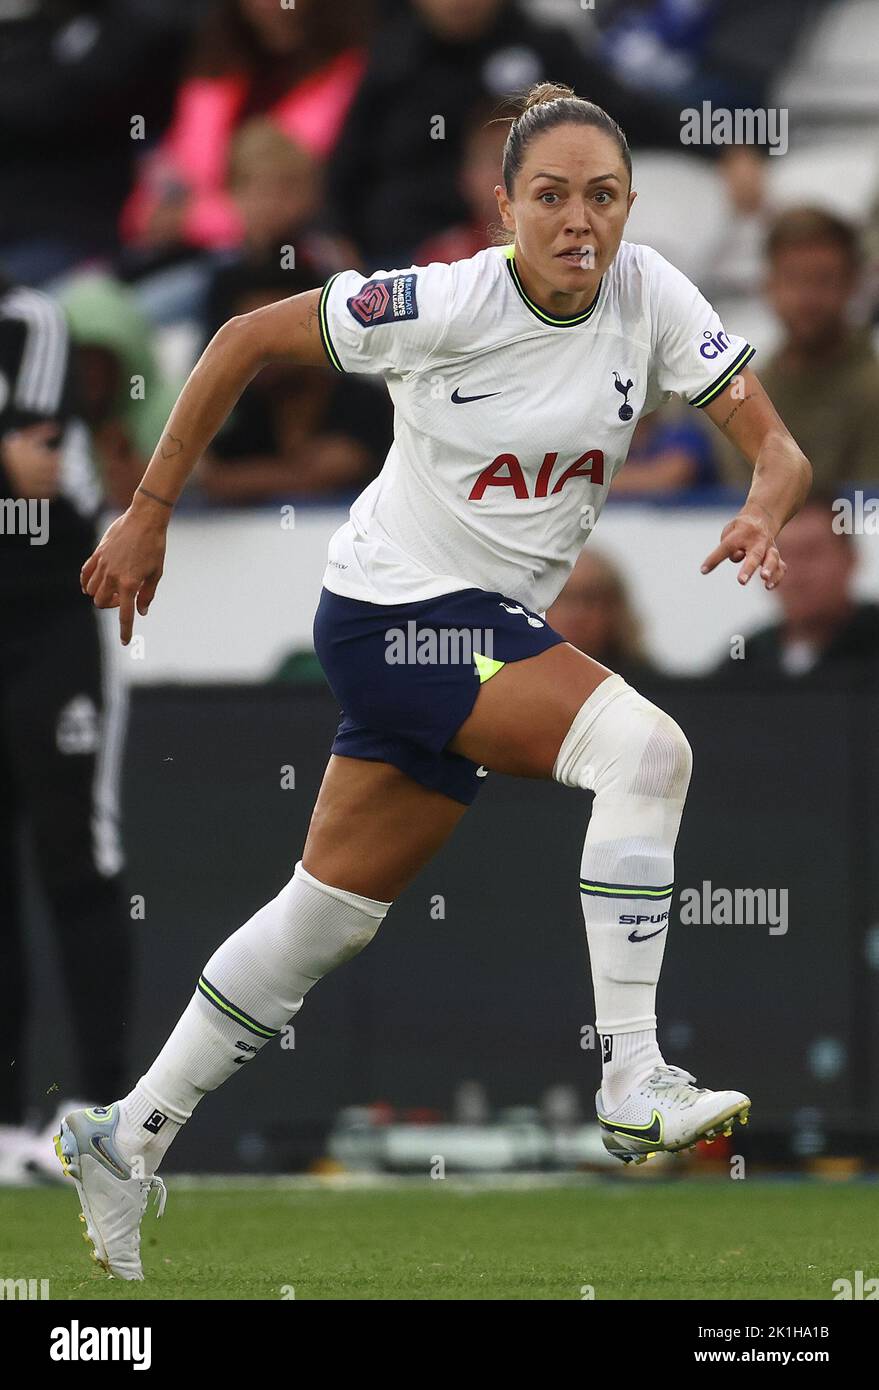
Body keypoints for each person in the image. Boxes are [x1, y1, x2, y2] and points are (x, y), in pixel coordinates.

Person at [62, 83, 810, 1279]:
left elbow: (778, 445)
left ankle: (124, 1135)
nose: (581, 221)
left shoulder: (653, 293)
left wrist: (766, 504)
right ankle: (631, 1074)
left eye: (604, 196)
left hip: (480, 627)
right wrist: (151, 511)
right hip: (394, 614)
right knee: (647, 750)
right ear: (505, 206)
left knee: (323, 923)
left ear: (629, 207)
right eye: (552, 196)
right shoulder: (445, 298)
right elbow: (240, 338)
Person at [0, 273, 132, 1181]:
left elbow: (36, 474)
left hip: (52, 617)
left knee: (73, 857)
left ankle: (102, 1112)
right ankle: (7, 1125)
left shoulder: (26, 321)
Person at [720, 208, 879, 491]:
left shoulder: (872, 389)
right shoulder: (749, 388)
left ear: (852, 284)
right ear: (769, 286)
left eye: (823, 280)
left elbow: (868, 514)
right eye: (793, 279)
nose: (807, 298)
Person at [712, 492, 879, 683]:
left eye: (811, 553)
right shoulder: (749, 657)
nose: (795, 572)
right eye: (781, 555)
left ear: (851, 558)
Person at [547, 549, 657, 685]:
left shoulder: (645, 697)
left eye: (590, 599)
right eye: (559, 597)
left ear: (615, 609)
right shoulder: (517, 687)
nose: (576, 614)